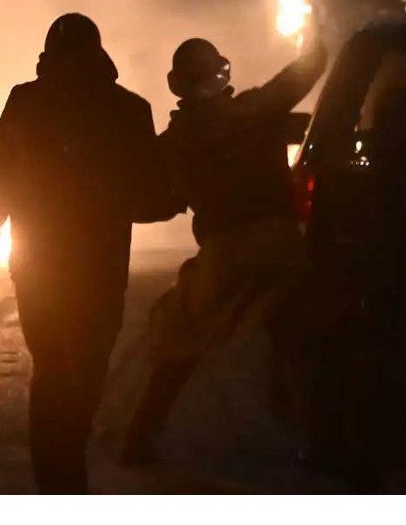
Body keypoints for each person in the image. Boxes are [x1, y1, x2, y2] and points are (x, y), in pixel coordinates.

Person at [0, 13, 181, 494]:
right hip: (98, 268)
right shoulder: (128, 109)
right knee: (84, 367)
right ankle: (66, 469)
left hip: (38, 267)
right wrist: (174, 198)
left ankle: (57, 476)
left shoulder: (25, 101)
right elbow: (147, 193)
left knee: (51, 367)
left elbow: (2, 170)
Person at [122, 34, 328, 466]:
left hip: (223, 255)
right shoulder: (257, 109)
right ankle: (324, 445)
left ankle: (140, 440)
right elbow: (304, 73)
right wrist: (317, 41)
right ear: (222, 74)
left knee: (177, 339)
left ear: (178, 85)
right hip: (282, 244)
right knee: (298, 337)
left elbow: (155, 202)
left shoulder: (174, 142)